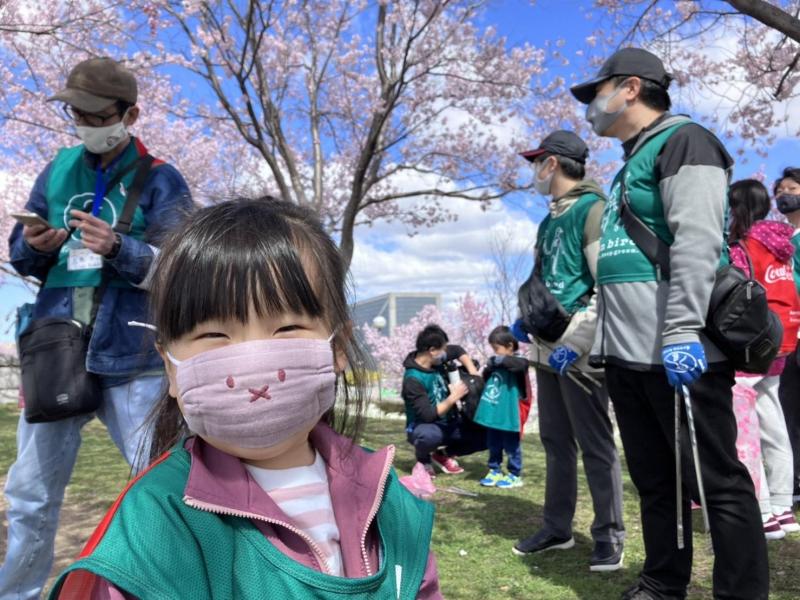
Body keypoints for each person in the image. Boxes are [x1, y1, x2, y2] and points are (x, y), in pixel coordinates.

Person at [48, 198, 442, 599]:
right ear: (171, 367)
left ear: (337, 347)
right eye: (214, 335)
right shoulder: (158, 519)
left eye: (287, 326)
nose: (254, 361)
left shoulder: (388, 497)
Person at [570, 47, 769, 600]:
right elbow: (617, 269)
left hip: (680, 353)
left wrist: (682, 328)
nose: (591, 107)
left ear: (631, 87)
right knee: (656, 483)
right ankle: (662, 582)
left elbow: (699, 242)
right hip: (629, 355)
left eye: (597, 92)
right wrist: (588, 340)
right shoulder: (629, 164)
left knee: (715, 483)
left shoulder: (685, 142)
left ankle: (740, 593)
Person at [2, 57, 192, 598]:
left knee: (164, 487)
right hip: (55, 348)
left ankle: (166, 587)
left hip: (134, 354)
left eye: (94, 113)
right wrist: (30, 248)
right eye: (74, 113)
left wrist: (118, 248)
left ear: (130, 114)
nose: (83, 123)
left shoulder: (161, 178)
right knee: (29, 494)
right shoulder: (58, 168)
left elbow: (181, 268)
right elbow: (22, 255)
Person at [510, 130, 625, 572]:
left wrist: (576, 341)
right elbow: (544, 280)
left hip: (580, 351)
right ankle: (557, 527)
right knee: (556, 441)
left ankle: (609, 533)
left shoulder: (593, 211)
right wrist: (527, 322)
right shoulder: (548, 220)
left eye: (537, 162)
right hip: (545, 349)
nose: (534, 171)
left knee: (596, 445)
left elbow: (607, 285)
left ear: (552, 163)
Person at [728, 179, 800, 539]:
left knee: (745, 429)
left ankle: (761, 509)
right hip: (781, 342)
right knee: (774, 423)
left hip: (751, 347)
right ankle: (784, 507)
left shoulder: (745, 245)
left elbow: (735, 292)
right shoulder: (781, 243)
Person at [402, 325, 486, 476]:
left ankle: (443, 454)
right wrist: (454, 397)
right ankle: (423, 459)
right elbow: (427, 415)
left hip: (450, 422)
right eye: (443, 349)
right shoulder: (413, 379)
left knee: (488, 435)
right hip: (424, 426)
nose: (445, 354)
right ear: (432, 350)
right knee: (429, 437)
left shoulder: (435, 359)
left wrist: (474, 373)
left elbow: (458, 351)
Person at [473, 326, 532, 489]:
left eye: (496, 348)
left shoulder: (519, 363)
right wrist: (491, 365)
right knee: (493, 443)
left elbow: (521, 365)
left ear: (510, 346)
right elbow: (486, 377)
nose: (495, 353)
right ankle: (494, 469)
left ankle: (514, 474)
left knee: (511, 445)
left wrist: (501, 361)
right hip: (495, 413)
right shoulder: (496, 363)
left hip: (509, 414)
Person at [774, 167, 800, 504]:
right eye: (779, 190)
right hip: (786, 334)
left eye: (792, 188)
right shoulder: (780, 238)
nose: (784, 194)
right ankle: (793, 478)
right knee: (788, 406)